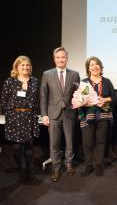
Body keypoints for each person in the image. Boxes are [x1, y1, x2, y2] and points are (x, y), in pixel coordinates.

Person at [40, 47, 80, 182]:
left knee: (70, 142)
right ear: (54, 59)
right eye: (58, 57)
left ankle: (69, 165)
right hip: (53, 114)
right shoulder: (47, 74)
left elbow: (78, 95)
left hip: (69, 113)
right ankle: (56, 169)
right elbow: (43, 96)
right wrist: (44, 114)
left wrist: (79, 112)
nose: (61, 59)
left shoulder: (75, 74)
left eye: (63, 57)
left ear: (67, 58)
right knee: (54, 144)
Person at [1, 55, 40, 183]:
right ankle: (20, 170)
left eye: (27, 65)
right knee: (17, 147)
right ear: (17, 67)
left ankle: (28, 171)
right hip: (15, 118)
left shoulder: (34, 81)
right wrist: (11, 115)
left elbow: (37, 100)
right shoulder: (10, 82)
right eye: (22, 65)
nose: (25, 67)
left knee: (29, 146)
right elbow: (4, 101)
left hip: (30, 116)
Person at [79, 56, 115, 177]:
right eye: (92, 65)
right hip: (87, 116)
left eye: (97, 64)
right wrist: (84, 102)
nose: (95, 67)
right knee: (87, 142)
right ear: (88, 68)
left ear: (100, 66)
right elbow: (78, 99)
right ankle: (89, 165)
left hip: (103, 116)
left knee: (101, 141)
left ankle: (99, 165)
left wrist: (105, 99)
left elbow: (114, 97)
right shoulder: (83, 82)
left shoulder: (107, 81)